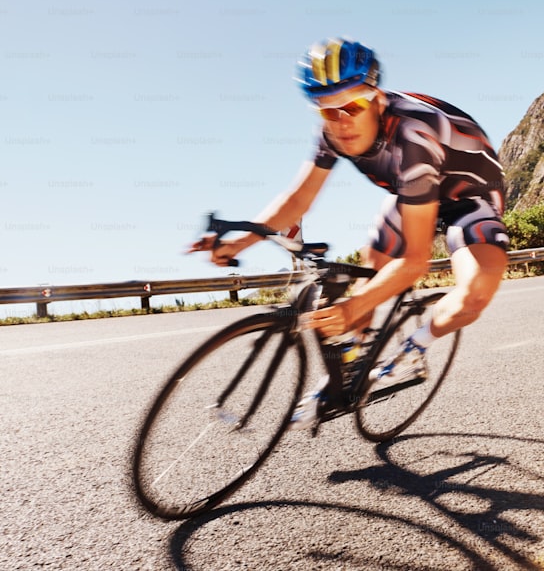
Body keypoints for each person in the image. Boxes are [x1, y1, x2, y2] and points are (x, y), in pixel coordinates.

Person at [191, 38, 509, 429]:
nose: (341, 121)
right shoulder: (332, 132)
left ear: (376, 99)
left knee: (475, 292)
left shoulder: (413, 136)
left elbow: (415, 261)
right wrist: (241, 241)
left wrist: (352, 308)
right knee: (370, 271)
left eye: (352, 106)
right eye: (327, 110)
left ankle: (414, 347)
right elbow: (298, 199)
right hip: (412, 195)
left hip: (468, 196)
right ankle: (348, 369)